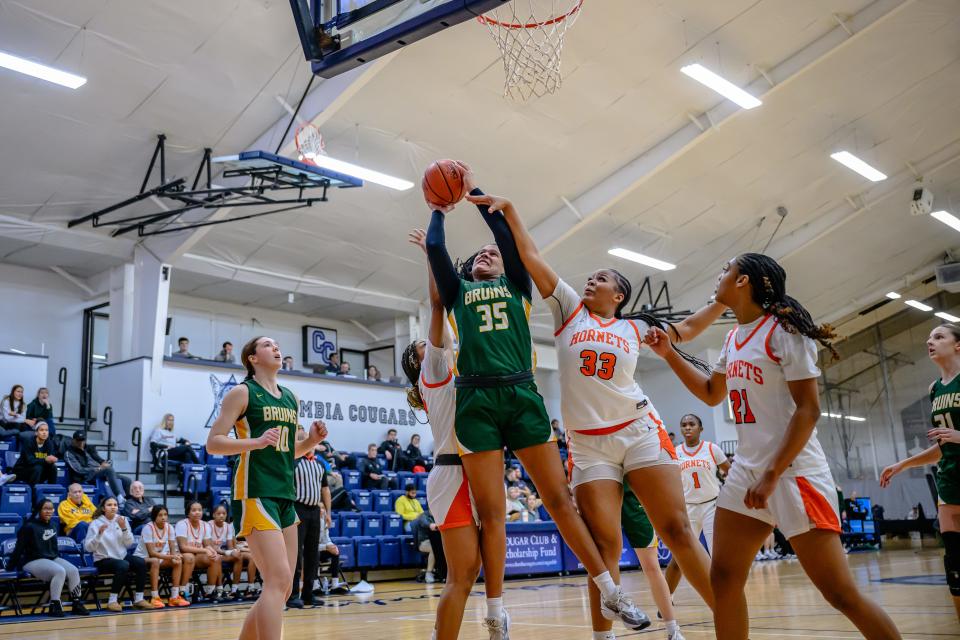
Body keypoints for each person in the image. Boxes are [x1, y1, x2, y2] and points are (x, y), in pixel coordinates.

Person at [479, 188, 726, 627]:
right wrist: (512, 212)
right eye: (590, 277)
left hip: (639, 430)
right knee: (604, 545)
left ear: (619, 294)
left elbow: (686, 329)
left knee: (678, 531)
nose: (591, 281)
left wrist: (722, 302)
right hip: (589, 446)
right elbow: (531, 255)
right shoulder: (570, 308)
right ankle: (604, 637)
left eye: (601, 278)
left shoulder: (634, 327)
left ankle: (730, 626)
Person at [424, 169, 650, 634]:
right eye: (481, 255)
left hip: (522, 393)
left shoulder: (517, 288)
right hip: (476, 402)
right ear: (469, 270)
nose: (488, 254)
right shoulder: (456, 293)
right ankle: (495, 613)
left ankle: (611, 592)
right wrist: (439, 211)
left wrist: (477, 195)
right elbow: (434, 249)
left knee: (560, 500)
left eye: (494, 254)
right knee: (491, 513)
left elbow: (505, 236)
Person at [646, 252, 901, 640]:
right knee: (725, 578)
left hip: (794, 473)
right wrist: (668, 355)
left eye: (726, 270)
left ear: (744, 280)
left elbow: (809, 410)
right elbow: (713, 394)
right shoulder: (733, 337)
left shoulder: (784, 331)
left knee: (840, 593)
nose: (720, 276)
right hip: (748, 469)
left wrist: (773, 472)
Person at [404, 226, 503, 640]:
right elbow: (439, 304)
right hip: (452, 473)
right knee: (462, 575)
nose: (425, 344)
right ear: (417, 363)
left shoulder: (456, 362)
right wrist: (433, 255)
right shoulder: (436, 368)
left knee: (474, 570)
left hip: (474, 467)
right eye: (419, 346)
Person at [206, 335, 328, 640]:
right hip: (255, 490)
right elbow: (214, 443)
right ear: (252, 358)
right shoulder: (241, 392)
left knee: (284, 587)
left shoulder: (291, 397)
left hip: (285, 494)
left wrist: (311, 442)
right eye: (267, 344)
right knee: (278, 577)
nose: (276, 348)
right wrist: (256, 442)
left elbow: (289, 451)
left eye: (277, 345)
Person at [881, 322, 960, 621]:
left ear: (957, 345)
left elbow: (954, 437)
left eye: (939, 337)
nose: (930, 341)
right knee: (954, 567)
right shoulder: (935, 389)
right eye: (928, 337)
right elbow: (942, 445)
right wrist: (902, 464)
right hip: (949, 482)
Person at [664, 414, 731, 597]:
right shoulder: (675, 452)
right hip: (688, 509)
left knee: (717, 558)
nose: (687, 428)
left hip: (712, 506)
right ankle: (666, 600)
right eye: (684, 424)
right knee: (678, 559)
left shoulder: (712, 449)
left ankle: (723, 597)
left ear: (700, 428)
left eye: (692, 424)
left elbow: (731, 473)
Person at [11, 499, 90, 617]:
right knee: (59, 571)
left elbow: (53, 548)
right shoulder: (28, 527)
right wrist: (10, 567)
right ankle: (55, 605)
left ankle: (76, 603)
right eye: (45, 508)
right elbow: (19, 549)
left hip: (51, 558)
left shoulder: (53, 525)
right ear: (39, 510)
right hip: (32, 561)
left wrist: (57, 560)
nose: (49, 511)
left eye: (51, 509)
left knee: (73, 570)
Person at [288, 428, 332, 608]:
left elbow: (325, 490)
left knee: (313, 555)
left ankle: (308, 594)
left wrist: (328, 512)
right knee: (296, 555)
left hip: (315, 511)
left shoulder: (319, 465)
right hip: (297, 509)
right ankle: (291, 595)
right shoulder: (293, 461)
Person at [84, 496, 152, 611]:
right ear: (103, 508)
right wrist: (99, 534)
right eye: (109, 505)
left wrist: (124, 528)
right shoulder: (95, 523)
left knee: (141, 562)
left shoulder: (122, 520)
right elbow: (88, 548)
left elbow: (129, 544)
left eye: (115, 505)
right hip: (103, 559)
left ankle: (139, 599)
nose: (113, 507)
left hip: (121, 556)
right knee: (123, 565)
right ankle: (112, 601)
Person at [135, 504, 192, 607]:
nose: (163, 517)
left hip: (159, 557)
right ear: (154, 517)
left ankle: (174, 597)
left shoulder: (170, 527)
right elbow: (152, 553)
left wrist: (175, 556)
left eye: (165, 515)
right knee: (155, 561)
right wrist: (171, 557)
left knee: (177, 561)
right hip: (142, 558)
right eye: (160, 515)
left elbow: (172, 548)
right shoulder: (148, 528)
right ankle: (155, 597)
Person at [65, 431, 132, 502]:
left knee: (127, 480)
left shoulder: (89, 449)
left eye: (83, 440)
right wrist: (98, 468)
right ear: (73, 440)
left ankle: (128, 502)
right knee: (109, 470)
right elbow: (79, 470)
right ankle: (119, 497)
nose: (81, 443)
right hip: (86, 476)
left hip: (100, 472)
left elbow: (99, 459)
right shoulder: (69, 453)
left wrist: (105, 463)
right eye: (78, 440)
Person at [176, 500, 222, 602]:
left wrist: (212, 551)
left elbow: (207, 545)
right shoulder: (182, 524)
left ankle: (210, 592)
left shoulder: (205, 525)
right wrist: (205, 550)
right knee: (189, 557)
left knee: (215, 558)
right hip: (181, 556)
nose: (197, 512)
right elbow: (183, 547)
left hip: (197, 556)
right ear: (188, 513)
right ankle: (182, 590)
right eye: (194, 510)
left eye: (199, 510)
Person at [12, 420, 57, 485]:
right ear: (36, 433)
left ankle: (51, 490)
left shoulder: (49, 443)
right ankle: (33, 492)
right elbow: (30, 461)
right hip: (22, 470)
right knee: (37, 467)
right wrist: (45, 460)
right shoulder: (28, 443)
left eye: (46, 430)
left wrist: (53, 459)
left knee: (53, 467)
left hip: (38, 471)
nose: (44, 432)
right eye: (42, 430)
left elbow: (49, 459)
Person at [316, 503, 342, 591]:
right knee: (315, 554)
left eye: (323, 508)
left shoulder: (323, 521)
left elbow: (327, 539)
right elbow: (309, 545)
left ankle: (335, 584)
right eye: (319, 508)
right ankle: (315, 585)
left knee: (335, 553)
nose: (322, 510)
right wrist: (326, 547)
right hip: (310, 551)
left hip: (322, 548)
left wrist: (332, 546)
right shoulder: (309, 524)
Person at [412, 510, 440, 584]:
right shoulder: (423, 516)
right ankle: (429, 573)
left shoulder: (438, 515)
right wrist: (431, 525)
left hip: (436, 541)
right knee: (434, 549)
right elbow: (426, 524)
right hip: (423, 542)